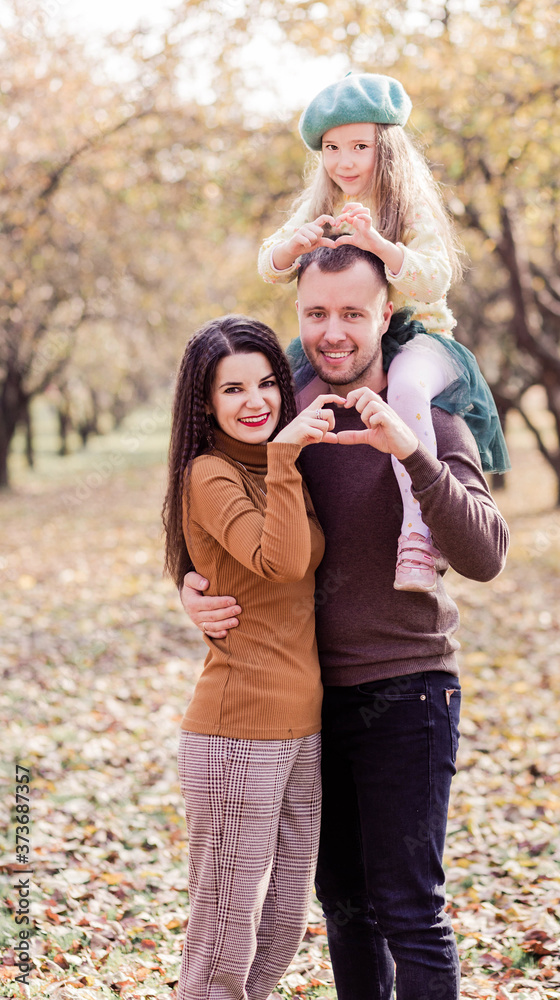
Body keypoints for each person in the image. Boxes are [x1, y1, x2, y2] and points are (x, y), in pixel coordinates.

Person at [181, 247, 510, 1000]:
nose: (333, 331)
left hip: (408, 692)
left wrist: (412, 453)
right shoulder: (278, 409)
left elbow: (485, 554)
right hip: (307, 705)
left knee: (407, 910)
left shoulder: (424, 413)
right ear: (298, 317)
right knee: (345, 908)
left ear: (383, 315)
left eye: (352, 314)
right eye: (316, 314)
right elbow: (214, 511)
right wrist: (188, 588)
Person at [258, 71, 510, 592]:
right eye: (331, 147)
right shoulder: (322, 203)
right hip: (356, 340)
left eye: (359, 146)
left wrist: (379, 245)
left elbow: (435, 276)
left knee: (406, 389)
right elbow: (269, 263)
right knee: (279, 393)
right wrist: (293, 245)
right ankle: (258, 520)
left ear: (386, 148)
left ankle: (417, 535)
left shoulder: (405, 204)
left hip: (421, 338)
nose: (344, 161)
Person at [162, 314, 346, 1000]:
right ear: (204, 403)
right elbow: (281, 559)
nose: (256, 401)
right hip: (235, 729)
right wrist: (284, 460)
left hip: (301, 727)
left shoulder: (264, 464)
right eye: (232, 389)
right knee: (220, 938)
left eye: (267, 383)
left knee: (281, 925)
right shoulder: (211, 473)